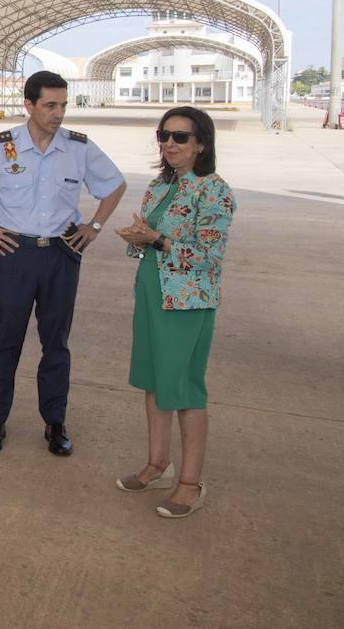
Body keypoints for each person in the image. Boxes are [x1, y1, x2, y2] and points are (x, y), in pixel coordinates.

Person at [0, 71, 126, 455]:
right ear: (29, 105)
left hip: (62, 254)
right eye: (50, 105)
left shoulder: (78, 147)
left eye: (63, 105)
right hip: (14, 255)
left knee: (56, 344)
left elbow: (114, 185)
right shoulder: (1, 146)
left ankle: (55, 423)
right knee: (5, 342)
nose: (58, 113)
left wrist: (94, 226)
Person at [114, 106, 235, 519]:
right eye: (164, 136)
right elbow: (148, 240)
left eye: (180, 137)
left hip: (186, 300)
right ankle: (157, 463)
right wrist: (137, 238)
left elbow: (209, 256)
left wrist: (158, 240)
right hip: (151, 292)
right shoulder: (159, 187)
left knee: (183, 389)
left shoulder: (213, 190)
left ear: (201, 143)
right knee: (153, 382)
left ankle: (190, 482)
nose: (169, 144)